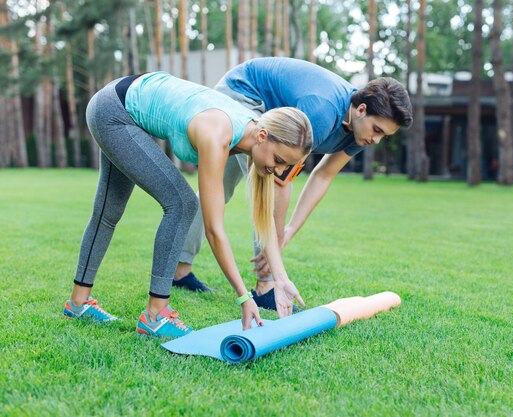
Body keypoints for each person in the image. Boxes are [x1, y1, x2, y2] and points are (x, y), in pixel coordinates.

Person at [62, 71, 313, 337]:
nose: (279, 170)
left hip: (119, 102)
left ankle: (78, 303)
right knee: (181, 203)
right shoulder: (217, 135)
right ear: (263, 136)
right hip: (114, 112)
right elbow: (215, 230)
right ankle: (156, 315)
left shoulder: (254, 137)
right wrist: (243, 296)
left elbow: (263, 222)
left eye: (287, 164)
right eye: (279, 159)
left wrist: (281, 279)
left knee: (108, 211)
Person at [174, 58, 413, 311]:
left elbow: (323, 175)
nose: (376, 140)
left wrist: (289, 230)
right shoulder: (323, 112)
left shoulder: (359, 131)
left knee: (224, 189)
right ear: (361, 109)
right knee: (258, 181)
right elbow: (279, 181)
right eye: (377, 130)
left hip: (265, 112)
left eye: (383, 136)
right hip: (244, 94)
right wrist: (274, 246)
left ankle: (179, 271)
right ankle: (265, 286)